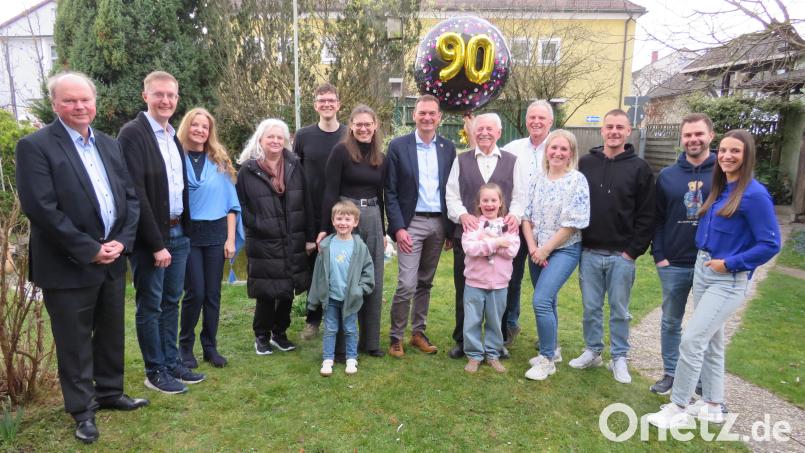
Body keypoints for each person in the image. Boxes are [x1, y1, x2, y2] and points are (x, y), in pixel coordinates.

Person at [16, 71, 146, 444]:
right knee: (74, 341)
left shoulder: (108, 143)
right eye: (70, 100)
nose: (79, 106)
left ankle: (109, 391)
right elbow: (41, 209)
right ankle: (82, 409)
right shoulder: (35, 145)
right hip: (68, 264)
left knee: (110, 330)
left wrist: (121, 241)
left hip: (113, 256)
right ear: (55, 104)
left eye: (85, 99)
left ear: (94, 102)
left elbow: (129, 198)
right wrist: (90, 249)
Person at [647, 130, 780, 429]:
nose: (727, 156)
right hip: (703, 269)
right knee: (712, 342)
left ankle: (678, 406)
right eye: (724, 151)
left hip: (727, 278)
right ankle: (713, 406)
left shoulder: (754, 194)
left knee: (692, 340)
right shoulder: (720, 189)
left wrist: (732, 264)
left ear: (747, 156)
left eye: (736, 151)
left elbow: (770, 243)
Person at [119, 71, 205, 394]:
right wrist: (156, 244)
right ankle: (154, 370)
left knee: (172, 301)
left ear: (177, 99)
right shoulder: (133, 134)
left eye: (171, 95)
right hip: (151, 239)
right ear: (146, 96)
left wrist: (185, 231)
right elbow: (135, 192)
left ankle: (172, 362)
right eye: (159, 94)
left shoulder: (171, 136)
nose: (165, 100)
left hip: (178, 232)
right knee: (150, 305)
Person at [569, 109, 655, 384]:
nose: (614, 131)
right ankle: (593, 351)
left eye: (620, 127)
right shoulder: (586, 163)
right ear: (602, 130)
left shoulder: (639, 168)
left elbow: (647, 214)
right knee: (591, 307)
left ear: (628, 131)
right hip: (590, 251)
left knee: (620, 310)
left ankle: (619, 357)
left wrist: (632, 251)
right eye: (609, 127)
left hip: (622, 255)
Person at [445, 113, 528, 359]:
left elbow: (521, 196)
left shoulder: (513, 161)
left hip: (503, 236)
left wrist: (514, 215)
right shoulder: (462, 160)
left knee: (502, 289)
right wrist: (462, 215)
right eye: (480, 129)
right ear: (473, 132)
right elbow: (451, 194)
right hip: (469, 236)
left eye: (489, 129)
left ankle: (497, 341)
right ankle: (463, 340)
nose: (484, 133)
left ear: (499, 133)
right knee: (465, 289)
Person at [649, 113, 716, 395]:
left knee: (706, 327)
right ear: (681, 138)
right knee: (671, 321)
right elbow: (657, 218)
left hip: (711, 263)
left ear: (710, 136)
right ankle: (672, 373)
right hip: (673, 262)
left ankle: (701, 379)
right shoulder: (667, 176)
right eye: (688, 135)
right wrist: (660, 255)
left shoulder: (722, 174)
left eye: (699, 134)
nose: (693, 139)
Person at [385, 94, 456, 358]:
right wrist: (399, 228)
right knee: (406, 283)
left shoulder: (448, 148)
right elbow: (390, 192)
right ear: (413, 115)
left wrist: (450, 230)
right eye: (422, 113)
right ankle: (396, 336)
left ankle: (417, 333)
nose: (427, 118)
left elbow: (451, 189)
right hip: (410, 224)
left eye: (432, 113)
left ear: (439, 117)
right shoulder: (398, 146)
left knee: (425, 282)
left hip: (438, 222)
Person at [236, 118, 314, 356]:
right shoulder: (248, 170)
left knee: (288, 288)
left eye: (280, 137)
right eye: (271, 136)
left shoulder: (294, 165)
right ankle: (261, 336)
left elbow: (307, 202)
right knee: (267, 291)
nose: (276, 141)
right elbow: (241, 206)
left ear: (287, 141)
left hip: (293, 237)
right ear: (260, 139)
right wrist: (257, 225)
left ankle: (280, 333)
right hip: (264, 239)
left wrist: (309, 236)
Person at [176, 107, 243, 369]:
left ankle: (210, 347)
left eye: (205, 127)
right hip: (187, 233)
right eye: (195, 125)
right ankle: (185, 346)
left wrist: (230, 240)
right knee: (195, 292)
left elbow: (231, 206)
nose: (200, 130)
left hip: (216, 234)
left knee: (213, 294)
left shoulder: (218, 161)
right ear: (187, 127)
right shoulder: (174, 157)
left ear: (210, 131)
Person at [318, 104, 386, 357]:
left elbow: (382, 193)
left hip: (372, 218)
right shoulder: (341, 151)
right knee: (344, 277)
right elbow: (330, 190)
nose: (364, 128)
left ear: (375, 125)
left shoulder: (380, 155)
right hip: (346, 217)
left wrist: (384, 230)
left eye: (368, 124)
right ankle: (339, 344)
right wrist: (326, 228)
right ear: (352, 126)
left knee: (373, 279)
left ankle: (370, 342)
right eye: (358, 124)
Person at [521, 130, 590, 381]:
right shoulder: (538, 179)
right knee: (548, 302)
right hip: (536, 250)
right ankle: (555, 350)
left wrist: (546, 248)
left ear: (571, 153)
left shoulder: (577, 180)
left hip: (563, 249)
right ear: (547, 151)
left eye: (564, 149)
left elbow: (573, 223)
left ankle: (546, 359)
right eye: (554, 148)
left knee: (540, 300)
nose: (558, 153)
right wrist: (532, 248)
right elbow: (526, 216)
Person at [501, 100, 554, 346]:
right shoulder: (513, 148)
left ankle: (548, 334)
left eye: (541, 118)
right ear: (526, 121)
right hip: (516, 222)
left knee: (544, 282)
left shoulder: (557, 147)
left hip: (546, 228)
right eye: (532, 117)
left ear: (550, 122)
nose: (536, 122)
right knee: (512, 276)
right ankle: (510, 325)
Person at [296, 83, 346, 341]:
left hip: (342, 214)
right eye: (321, 100)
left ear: (338, 104)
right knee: (313, 268)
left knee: (340, 268)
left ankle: (339, 320)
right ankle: (312, 320)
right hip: (311, 211)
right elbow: (294, 172)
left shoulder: (348, 134)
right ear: (315, 105)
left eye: (331, 100)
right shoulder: (303, 136)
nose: (327, 104)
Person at [308, 201, 375, 376]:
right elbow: (318, 274)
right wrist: (315, 297)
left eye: (347, 219)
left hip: (350, 298)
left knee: (351, 329)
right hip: (331, 298)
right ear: (332, 221)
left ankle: (351, 358)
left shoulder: (359, 247)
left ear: (355, 222)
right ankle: (327, 360)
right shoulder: (326, 246)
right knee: (330, 328)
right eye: (339, 218)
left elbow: (368, 270)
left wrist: (360, 290)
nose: (343, 223)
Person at [461, 183, 520, 373]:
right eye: (485, 200)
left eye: (493, 200)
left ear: (500, 202)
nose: (489, 204)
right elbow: (470, 248)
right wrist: (496, 242)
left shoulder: (509, 226)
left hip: (499, 283)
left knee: (495, 320)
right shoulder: (472, 226)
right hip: (475, 282)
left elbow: (511, 250)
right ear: (479, 204)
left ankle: (493, 354)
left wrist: (486, 242)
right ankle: (474, 355)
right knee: (472, 320)